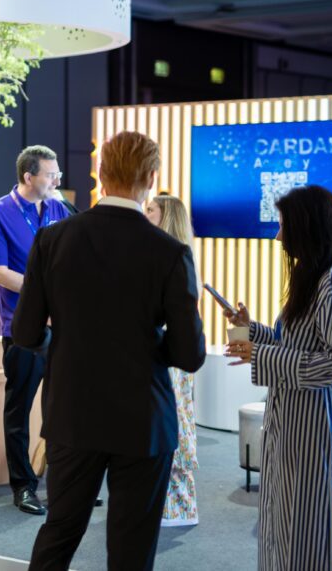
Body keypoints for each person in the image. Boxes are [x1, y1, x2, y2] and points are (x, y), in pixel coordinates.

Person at [13, 131, 206, 570]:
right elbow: (189, 354)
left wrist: (66, 348)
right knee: (131, 548)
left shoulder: (52, 239)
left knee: (60, 531)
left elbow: (25, 333)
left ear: (100, 174)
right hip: (143, 419)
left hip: (72, 412)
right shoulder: (171, 253)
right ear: (152, 178)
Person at [224, 185, 332, 571]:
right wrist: (252, 332)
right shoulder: (317, 278)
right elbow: (298, 344)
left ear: (310, 227)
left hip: (317, 430)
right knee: (291, 529)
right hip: (296, 427)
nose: (278, 236)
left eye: (284, 225)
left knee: (315, 535)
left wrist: (264, 354)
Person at [0, 145, 71, 515]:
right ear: (29, 177)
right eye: (51, 174)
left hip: (63, 328)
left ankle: (64, 481)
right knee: (19, 411)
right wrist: (44, 298)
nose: (57, 179)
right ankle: (23, 486)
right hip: (22, 329)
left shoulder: (59, 209)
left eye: (57, 173)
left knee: (62, 408)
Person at [146, 194, 201, 527]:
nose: (145, 213)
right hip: (167, 353)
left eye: (151, 210)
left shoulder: (171, 256)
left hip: (171, 354)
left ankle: (178, 507)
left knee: (175, 422)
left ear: (166, 217)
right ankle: (171, 505)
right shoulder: (168, 253)